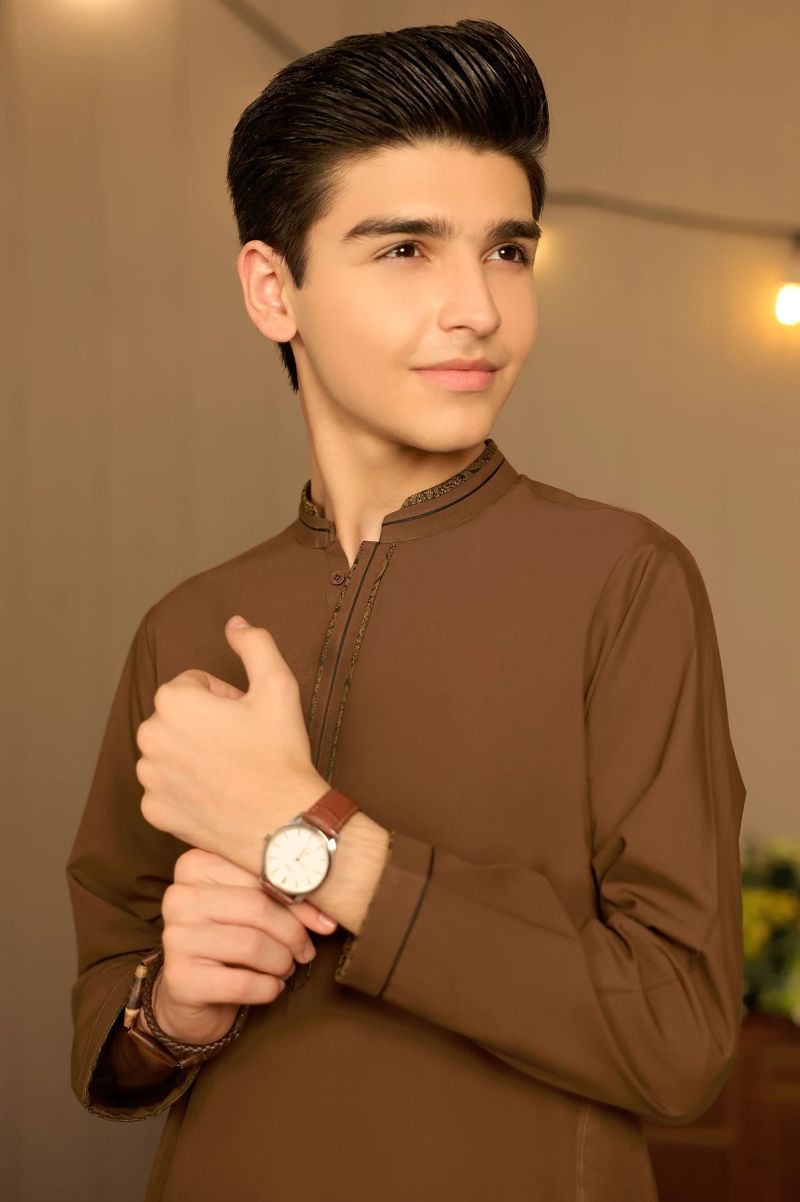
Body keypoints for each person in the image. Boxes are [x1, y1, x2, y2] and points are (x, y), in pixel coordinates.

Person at [66, 18, 747, 1202]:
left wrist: (317, 846)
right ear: (273, 288)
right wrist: (168, 1010)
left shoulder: (623, 580)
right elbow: (107, 1007)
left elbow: (678, 1036)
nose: (477, 306)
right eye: (404, 249)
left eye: (507, 251)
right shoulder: (188, 625)